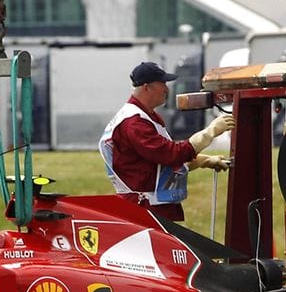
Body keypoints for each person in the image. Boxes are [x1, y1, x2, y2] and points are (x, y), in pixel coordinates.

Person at [98, 61, 235, 221]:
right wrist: (210, 132)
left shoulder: (142, 116)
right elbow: (170, 155)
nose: (166, 88)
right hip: (145, 211)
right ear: (146, 87)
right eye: (162, 83)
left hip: (150, 207)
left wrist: (205, 161)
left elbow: (158, 163)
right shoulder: (135, 123)